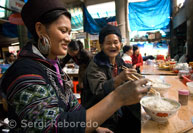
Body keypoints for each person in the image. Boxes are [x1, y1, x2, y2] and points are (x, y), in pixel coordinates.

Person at [0, 0, 149, 132]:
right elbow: (52, 127)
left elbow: (73, 106)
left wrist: (94, 126)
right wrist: (118, 97)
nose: (68, 38)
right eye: (63, 31)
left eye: (70, 32)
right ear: (40, 30)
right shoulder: (24, 72)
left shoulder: (53, 65)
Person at [82, 24, 143, 133]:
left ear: (121, 44)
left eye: (116, 42)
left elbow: (129, 75)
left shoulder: (119, 60)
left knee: (140, 120)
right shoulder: (95, 65)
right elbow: (99, 91)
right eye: (108, 43)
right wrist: (119, 79)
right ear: (101, 45)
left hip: (117, 108)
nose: (113, 46)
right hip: (100, 115)